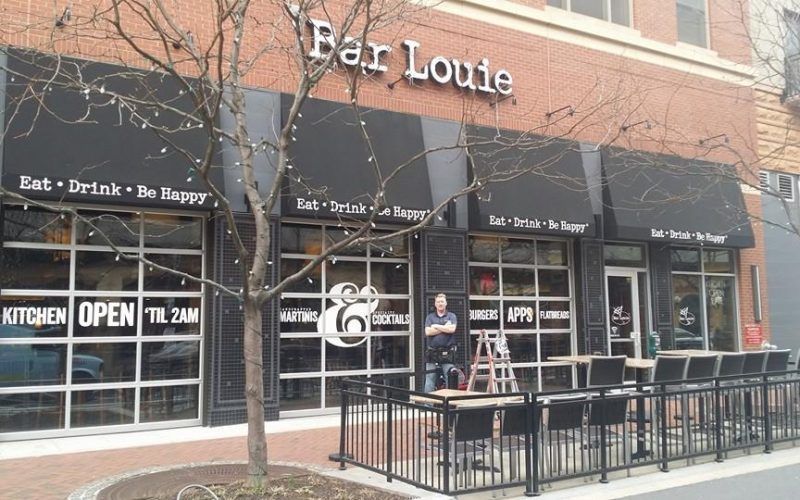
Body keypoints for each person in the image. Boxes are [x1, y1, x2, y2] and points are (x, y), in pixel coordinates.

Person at [424, 293, 457, 393]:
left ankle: (449, 406)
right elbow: (428, 332)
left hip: (447, 353)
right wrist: (444, 328)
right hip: (432, 353)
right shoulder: (430, 317)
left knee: (450, 379)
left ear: (446, 303)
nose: (440, 303)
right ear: (435, 304)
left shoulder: (452, 316)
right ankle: (427, 407)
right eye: (438, 302)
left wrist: (436, 326)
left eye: (442, 301)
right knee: (430, 380)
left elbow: (452, 329)